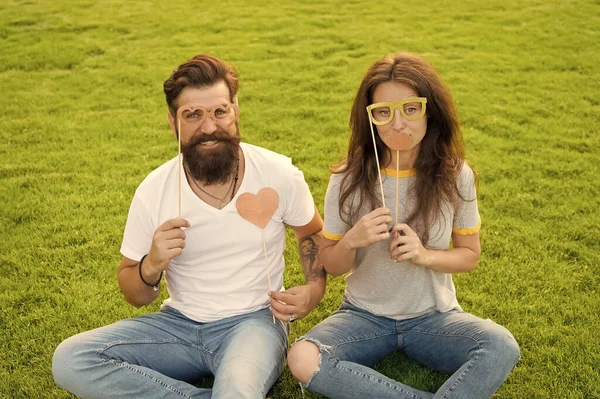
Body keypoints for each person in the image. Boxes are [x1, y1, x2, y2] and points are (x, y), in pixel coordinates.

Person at [52, 54, 326, 399]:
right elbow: (133, 294)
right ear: (173, 122)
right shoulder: (155, 190)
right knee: (71, 358)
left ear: (235, 111)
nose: (209, 126)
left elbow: (311, 234)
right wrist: (151, 265)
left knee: (236, 391)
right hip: (178, 325)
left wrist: (314, 290)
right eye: (192, 115)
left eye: (219, 111)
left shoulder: (278, 173)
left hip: (254, 323)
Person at [287, 52, 520, 399]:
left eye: (410, 109)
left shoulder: (456, 175)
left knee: (501, 345)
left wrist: (424, 255)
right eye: (383, 113)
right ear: (370, 119)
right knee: (303, 357)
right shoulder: (347, 178)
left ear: (430, 111)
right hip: (363, 317)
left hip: (434, 317)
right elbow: (333, 266)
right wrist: (352, 240)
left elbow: (469, 256)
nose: (398, 124)